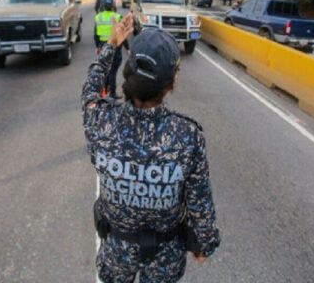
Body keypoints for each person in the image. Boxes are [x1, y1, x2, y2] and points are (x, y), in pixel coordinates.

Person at [82, 14, 220, 283]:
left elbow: (90, 86)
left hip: (115, 251)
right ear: (171, 82)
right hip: (165, 255)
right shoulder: (187, 136)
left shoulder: (100, 119)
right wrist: (204, 243)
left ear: (128, 73)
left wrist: (112, 43)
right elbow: (199, 201)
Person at [94, 0, 129, 99]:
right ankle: (112, 93)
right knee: (112, 71)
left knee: (105, 69)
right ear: (113, 5)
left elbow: (95, 34)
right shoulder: (117, 17)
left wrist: (97, 46)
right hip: (115, 47)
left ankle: (104, 90)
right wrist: (127, 48)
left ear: (103, 6)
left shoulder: (98, 17)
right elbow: (123, 35)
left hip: (103, 46)